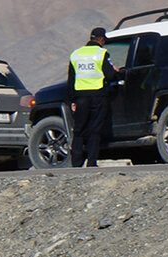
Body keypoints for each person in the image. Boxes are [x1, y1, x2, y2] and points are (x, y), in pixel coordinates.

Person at [68, 27, 122, 167]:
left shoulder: (76, 54)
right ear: (101, 40)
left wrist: (72, 100)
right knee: (94, 130)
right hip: (98, 96)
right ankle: (91, 162)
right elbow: (109, 75)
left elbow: (71, 80)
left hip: (80, 97)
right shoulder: (101, 53)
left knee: (79, 130)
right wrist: (116, 71)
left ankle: (76, 163)